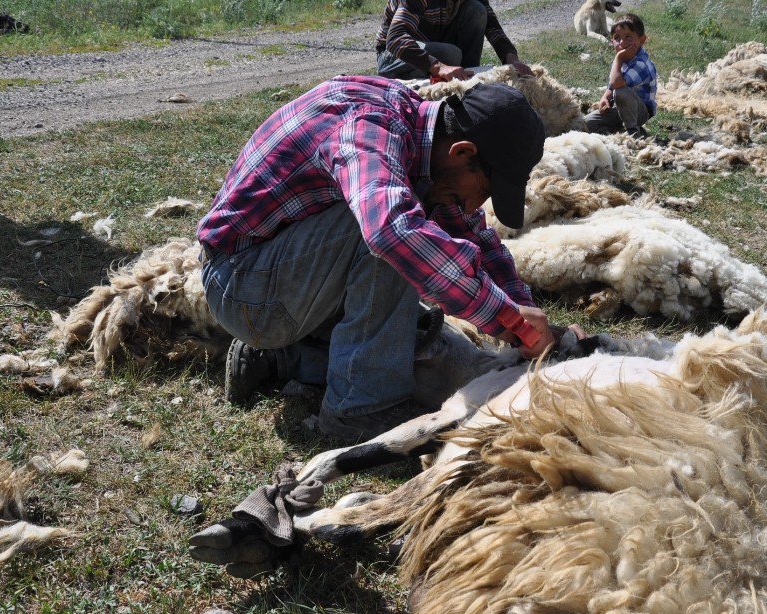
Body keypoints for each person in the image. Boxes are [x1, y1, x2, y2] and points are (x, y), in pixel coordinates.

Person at [196, 75, 557, 444]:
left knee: (410, 341)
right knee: (394, 232)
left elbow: (475, 236)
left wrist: (522, 315)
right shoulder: (369, 124)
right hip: (242, 287)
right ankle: (359, 410)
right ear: (462, 153)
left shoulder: (421, 137)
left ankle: (287, 359)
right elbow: (390, 231)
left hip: (289, 281)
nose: (475, 205)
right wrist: (500, 317)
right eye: (483, 191)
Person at [375, 0, 535, 82]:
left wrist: (512, 59)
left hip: (435, 45)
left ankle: (467, 79)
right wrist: (439, 66)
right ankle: (427, 80)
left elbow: (492, 26)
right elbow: (395, 39)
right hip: (392, 56)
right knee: (450, 54)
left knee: (477, 10)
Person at [584, 13, 657, 137]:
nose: (622, 42)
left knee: (621, 91)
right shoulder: (622, 58)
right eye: (617, 38)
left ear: (641, 40)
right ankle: (619, 130)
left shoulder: (641, 64)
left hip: (640, 111)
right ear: (612, 40)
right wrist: (605, 98)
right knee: (586, 123)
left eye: (629, 37)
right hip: (620, 108)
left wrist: (618, 59)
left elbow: (616, 84)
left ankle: (633, 131)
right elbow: (611, 85)